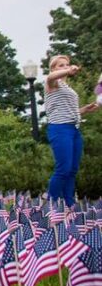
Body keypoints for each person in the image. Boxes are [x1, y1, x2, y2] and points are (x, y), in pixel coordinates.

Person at [43, 55, 99, 206]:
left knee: (72, 170)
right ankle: (51, 205)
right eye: (61, 65)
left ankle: (69, 205)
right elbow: (51, 76)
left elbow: (68, 111)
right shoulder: (51, 83)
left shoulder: (68, 88)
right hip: (59, 129)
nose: (65, 67)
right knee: (63, 168)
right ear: (53, 68)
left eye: (67, 64)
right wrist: (68, 70)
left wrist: (84, 110)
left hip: (73, 129)